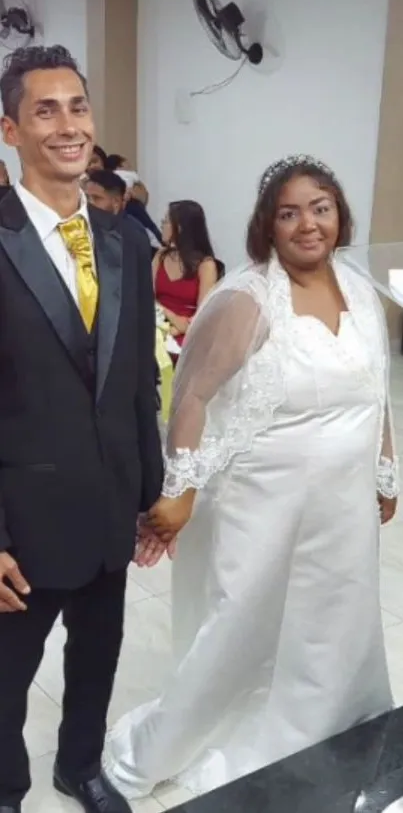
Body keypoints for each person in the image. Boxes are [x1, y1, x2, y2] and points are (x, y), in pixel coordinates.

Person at [105, 155, 398, 800]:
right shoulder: (246, 298)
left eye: (320, 208)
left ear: (339, 215)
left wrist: (385, 470)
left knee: (333, 614)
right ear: (267, 225)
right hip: (261, 503)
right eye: (289, 212)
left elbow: (376, 389)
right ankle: (170, 742)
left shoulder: (358, 289)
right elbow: (193, 398)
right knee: (242, 619)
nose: (307, 225)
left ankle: (327, 722)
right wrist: (179, 490)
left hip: (341, 504)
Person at [0, 44, 162, 813]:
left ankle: (81, 764)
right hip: (21, 523)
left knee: (98, 654)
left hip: (108, 506)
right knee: (5, 673)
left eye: (78, 106)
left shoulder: (127, 242)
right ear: (9, 129)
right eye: (45, 109)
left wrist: (154, 491)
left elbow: (137, 385)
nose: (69, 126)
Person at [153, 199, 219, 355]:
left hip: (189, 333)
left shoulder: (206, 265)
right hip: (158, 325)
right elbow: (147, 296)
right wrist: (167, 321)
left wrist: (175, 325)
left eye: (166, 221)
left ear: (179, 228)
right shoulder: (161, 256)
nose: (162, 225)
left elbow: (203, 315)